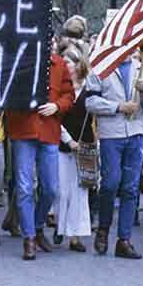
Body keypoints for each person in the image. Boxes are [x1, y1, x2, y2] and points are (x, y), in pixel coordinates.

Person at [86, 50, 143, 259]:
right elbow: (90, 102)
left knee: (131, 187)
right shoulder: (101, 68)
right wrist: (118, 107)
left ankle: (124, 239)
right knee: (110, 183)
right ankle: (103, 228)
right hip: (112, 134)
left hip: (136, 133)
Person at [5, 48, 74, 260]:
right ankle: (29, 237)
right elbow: (4, 92)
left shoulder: (59, 63)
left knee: (51, 188)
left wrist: (57, 106)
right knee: (25, 187)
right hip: (23, 130)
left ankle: (36, 226)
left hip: (49, 131)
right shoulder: (18, 59)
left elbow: (69, 95)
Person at [54, 40, 96, 253]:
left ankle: (75, 236)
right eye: (65, 61)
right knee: (61, 190)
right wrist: (68, 140)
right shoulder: (59, 89)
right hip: (62, 144)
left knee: (80, 192)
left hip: (85, 145)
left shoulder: (91, 87)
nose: (68, 65)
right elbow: (55, 118)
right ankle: (60, 226)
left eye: (72, 61)